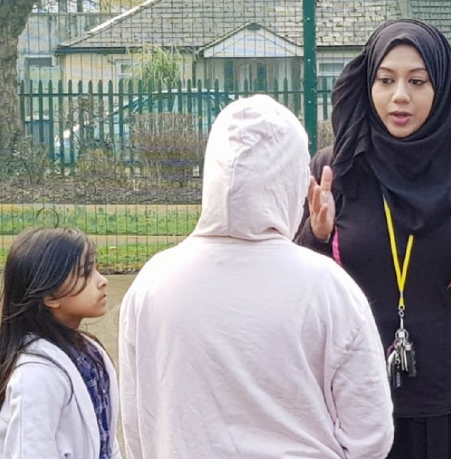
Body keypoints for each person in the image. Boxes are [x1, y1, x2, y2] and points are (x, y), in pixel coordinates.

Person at [296, 19, 451, 459]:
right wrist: (317, 234)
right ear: (368, 85)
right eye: (386, 80)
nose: (399, 96)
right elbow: (294, 296)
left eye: (417, 81)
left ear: (439, 89)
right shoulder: (335, 170)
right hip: (355, 400)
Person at [118, 94, 394, 459]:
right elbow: (371, 433)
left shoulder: (152, 284)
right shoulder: (327, 287)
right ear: (295, 178)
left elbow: (138, 425)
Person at [0, 227, 121, 459]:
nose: (102, 281)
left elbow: (105, 442)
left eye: (97, 267)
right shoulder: (36, 375)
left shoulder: (89, 351)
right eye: (85, 273)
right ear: (50, 297)